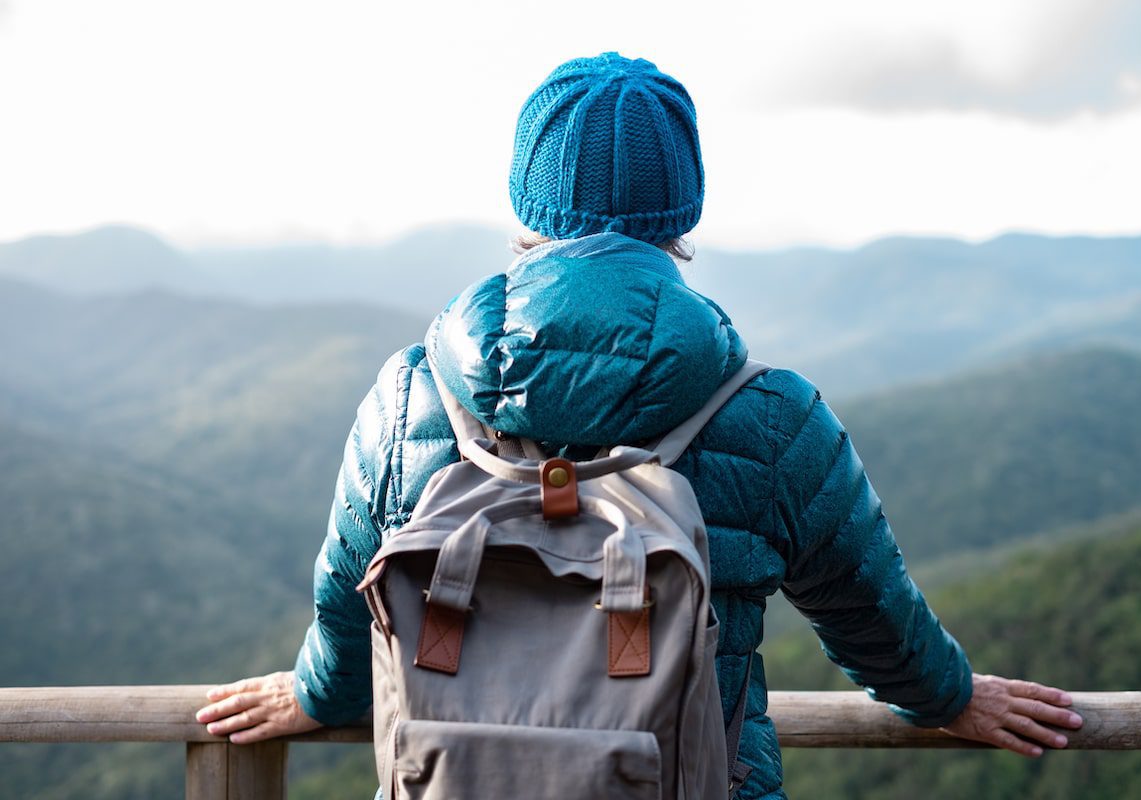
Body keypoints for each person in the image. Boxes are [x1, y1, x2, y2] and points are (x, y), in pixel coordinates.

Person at [196, 52, 1084, 799]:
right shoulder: (771, 415)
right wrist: (952, 697)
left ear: (528, 204)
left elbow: (353, 593)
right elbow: (868, 613)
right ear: (682, 212)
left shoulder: (410, 398)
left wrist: (317, 694)